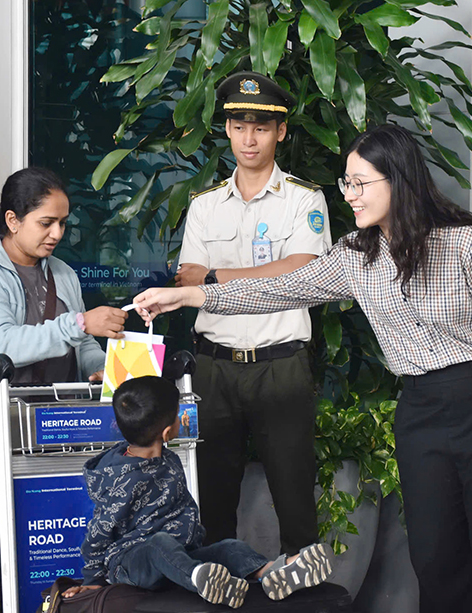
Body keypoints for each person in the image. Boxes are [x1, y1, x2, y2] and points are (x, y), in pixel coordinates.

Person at [133, 124, 472, 613]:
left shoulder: (467, 244)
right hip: (419, 411)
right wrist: (188, 295)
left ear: (398, 179)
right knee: (434, 559)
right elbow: (275, 290)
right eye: (345, 184)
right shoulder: (356, 256)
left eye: (359, 183)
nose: (349, 195)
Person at [0, 167, 128, 613]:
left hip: (56, 433)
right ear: (13, 220)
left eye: (62, 223)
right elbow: (4, 345)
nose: (57, 233)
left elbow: (86, 347)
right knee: (2, 563)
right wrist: (78, 323)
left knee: (60, 557)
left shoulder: (64, 275)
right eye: (46, 223)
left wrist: (100, 368)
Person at [175, 71, 332, 556]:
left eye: (261, 127)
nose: (249, 137)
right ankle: (220, 594)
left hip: (279, 366)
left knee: (294, 500)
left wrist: (219, 276)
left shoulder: (306, 200)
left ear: (281, 132)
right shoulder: (205, 205)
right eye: (240, 125)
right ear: (226, 129)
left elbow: (301, 274)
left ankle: (303, 601)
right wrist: (263, 274)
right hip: (214, 367)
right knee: (212, 501)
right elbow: (187, 279)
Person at [63, 376, 332, 608]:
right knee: (159, 544)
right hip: (133, 562)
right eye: (180, 412)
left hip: (182, 553)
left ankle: (273, 572)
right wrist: (93, 581)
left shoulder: (168, 459)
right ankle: (203, 581)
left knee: (229, 547)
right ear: (168, 432)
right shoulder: (122, 479)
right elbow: (98, 533)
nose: (183, 416)